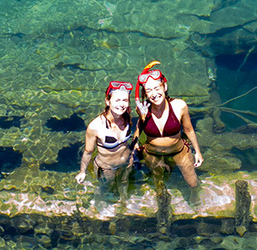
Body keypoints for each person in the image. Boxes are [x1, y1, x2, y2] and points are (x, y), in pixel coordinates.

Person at [136, 61, 202, 189]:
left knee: (193, 183)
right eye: (149, 90)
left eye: (157, 88)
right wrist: (135, 144)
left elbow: (189, 130)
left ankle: (197, 202)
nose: (154, 94)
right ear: (145, 94)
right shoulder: (143, 109)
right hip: (152, 153)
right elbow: (139, 128)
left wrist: (198, 152)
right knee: (158, 182)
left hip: (179, 151)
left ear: (164, 87)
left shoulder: (179, 106)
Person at [76, 80, 137, 191]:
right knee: (104, 189)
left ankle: (124, 204)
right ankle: (99, 206)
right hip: (107, 168)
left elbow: (140, 125)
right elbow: (88, 152)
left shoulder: (127, 115)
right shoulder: (96, 126)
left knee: (124, 184)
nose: (121, 104)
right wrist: (82, 172)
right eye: (117, 100)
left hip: (127, 162)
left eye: (125, 100)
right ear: (108, 101)